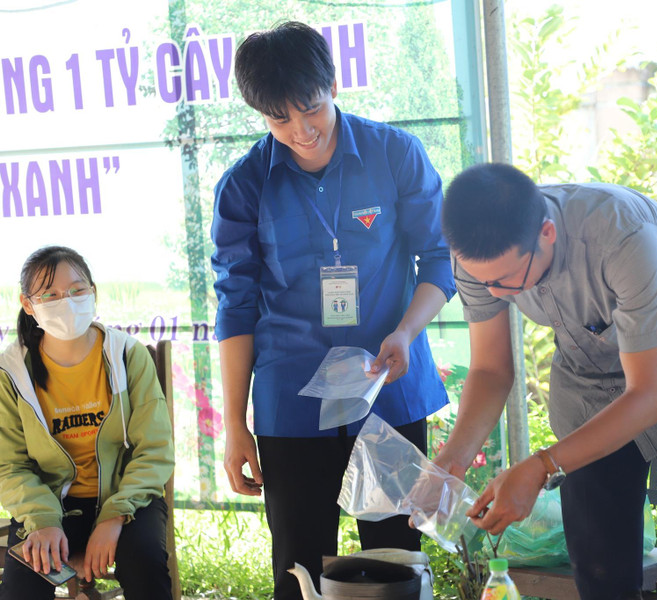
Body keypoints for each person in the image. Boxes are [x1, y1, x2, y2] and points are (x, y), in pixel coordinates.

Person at [209, 21, 455, 599]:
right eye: (279, 120)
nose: (301, 131)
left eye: (311, 109)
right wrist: (235, 424)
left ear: (335, 85)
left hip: (387, 390)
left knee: (394, 557)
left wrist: (406, 331)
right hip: (291, 402)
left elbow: (439, 263)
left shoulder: (395, 154)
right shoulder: (244, 186)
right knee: (299, 562)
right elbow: (236, 307)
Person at [436, 163, 657, 600]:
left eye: (507, 280)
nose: (495, 294)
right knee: (600, 567)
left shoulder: (621, 237)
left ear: (547, 233)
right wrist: (453, 459)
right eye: (484, 282)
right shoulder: (478, 254)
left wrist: (541, 465)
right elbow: (490, 369)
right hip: (588, 383)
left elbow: (649, 396)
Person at [0, 246, 175, 600]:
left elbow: (154, 450)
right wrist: (44, 522)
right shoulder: (12, 372)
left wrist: (114, 517)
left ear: (93, 292)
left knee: (146, 563)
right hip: (47, 505)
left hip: (127, 500)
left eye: (77, 290)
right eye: (49, 294)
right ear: (28, 304)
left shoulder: (126, 354)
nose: (66, 301)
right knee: (21, 586)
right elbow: (9, 465)